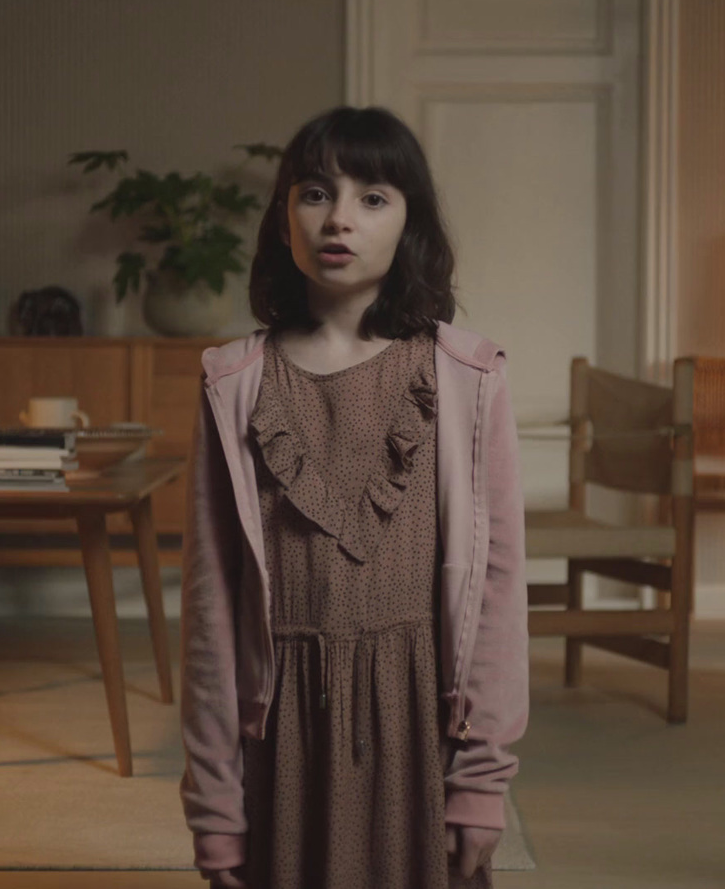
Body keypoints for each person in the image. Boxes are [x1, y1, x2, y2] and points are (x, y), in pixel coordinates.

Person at [177, 106, 529, 889]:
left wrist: (481, 779)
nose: (339, 218)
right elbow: (209, 610)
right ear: (282, 217)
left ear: (412, 223)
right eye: (314, 192)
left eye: (374, 197)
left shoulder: (466, 378)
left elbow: (498, 590)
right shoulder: (234, 385)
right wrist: (214, 807)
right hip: (283, 734)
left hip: (419, 725)